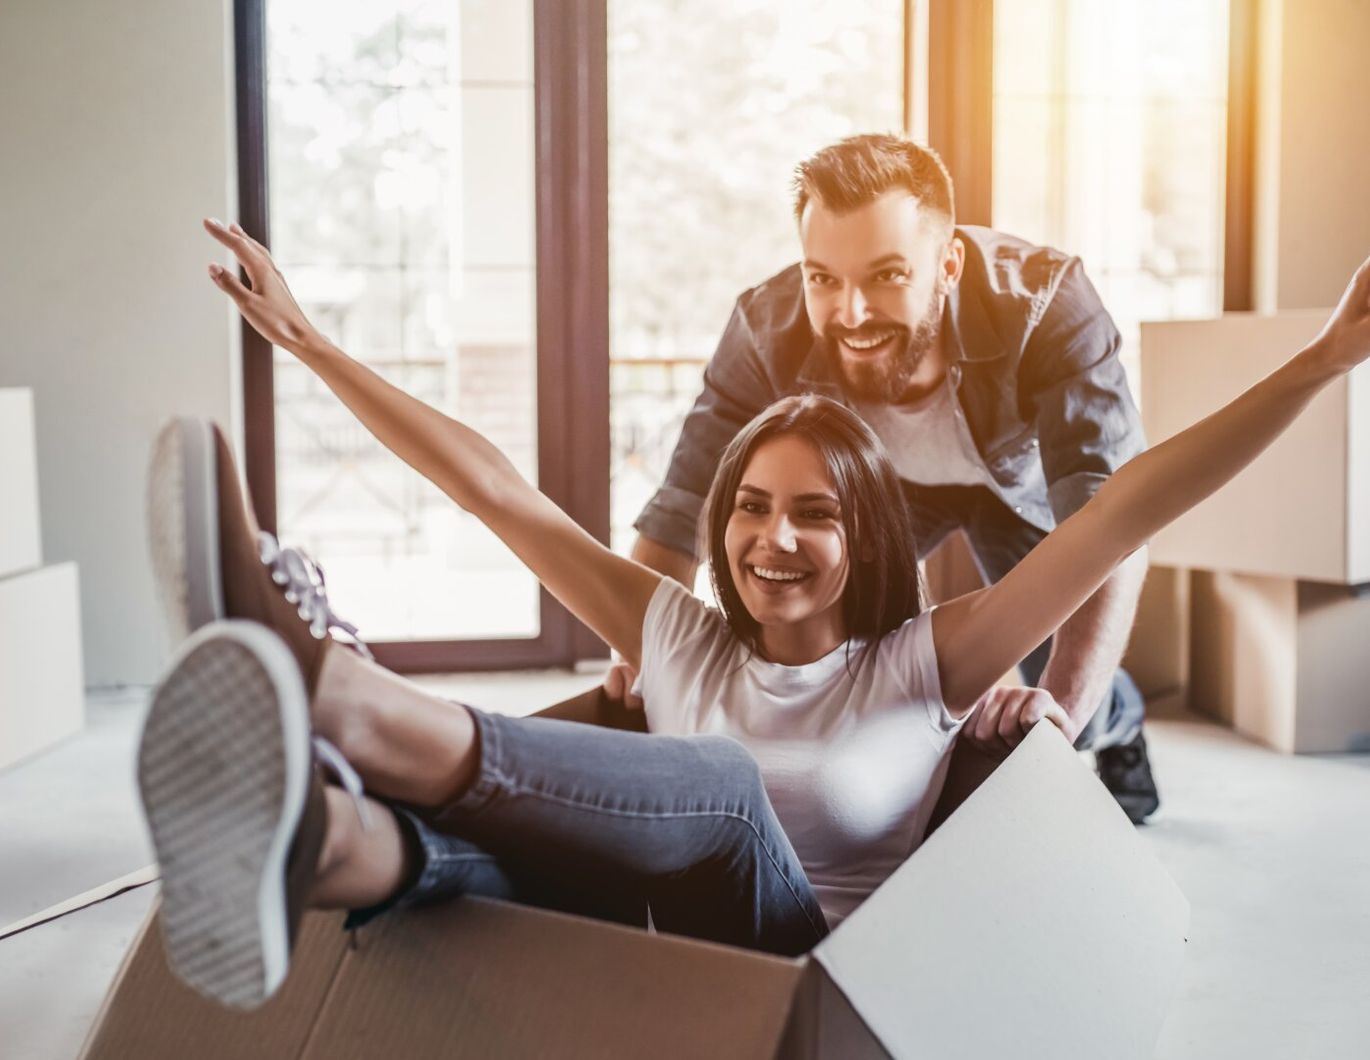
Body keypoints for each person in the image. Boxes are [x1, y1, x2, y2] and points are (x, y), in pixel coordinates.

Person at [141, 215, 1370, 1013]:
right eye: (750, 507)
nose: (773, 539)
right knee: (480, 858)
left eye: (814, 514)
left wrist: (1317, 363)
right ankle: (317, 840)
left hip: (802, 981)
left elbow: (1126, 506)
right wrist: (308, 343)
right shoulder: (674, 631)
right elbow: (494, 491)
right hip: (645, 949)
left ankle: (336, 688)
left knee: (722, 788)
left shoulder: (930, 661)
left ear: (865, 535)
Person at [619, 134, 1158, 821]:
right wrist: (639, 660)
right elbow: (683, 506)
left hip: (1016, 491)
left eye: (887, 276)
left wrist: (1061, 724)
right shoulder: (765, 327)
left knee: (1071, 681)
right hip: (885, 490)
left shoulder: (1049, 302)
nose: (852, 313)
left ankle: (1122, 724)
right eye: (823, 279)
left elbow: (1112, 521)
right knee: (844, 636)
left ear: (948, 264)